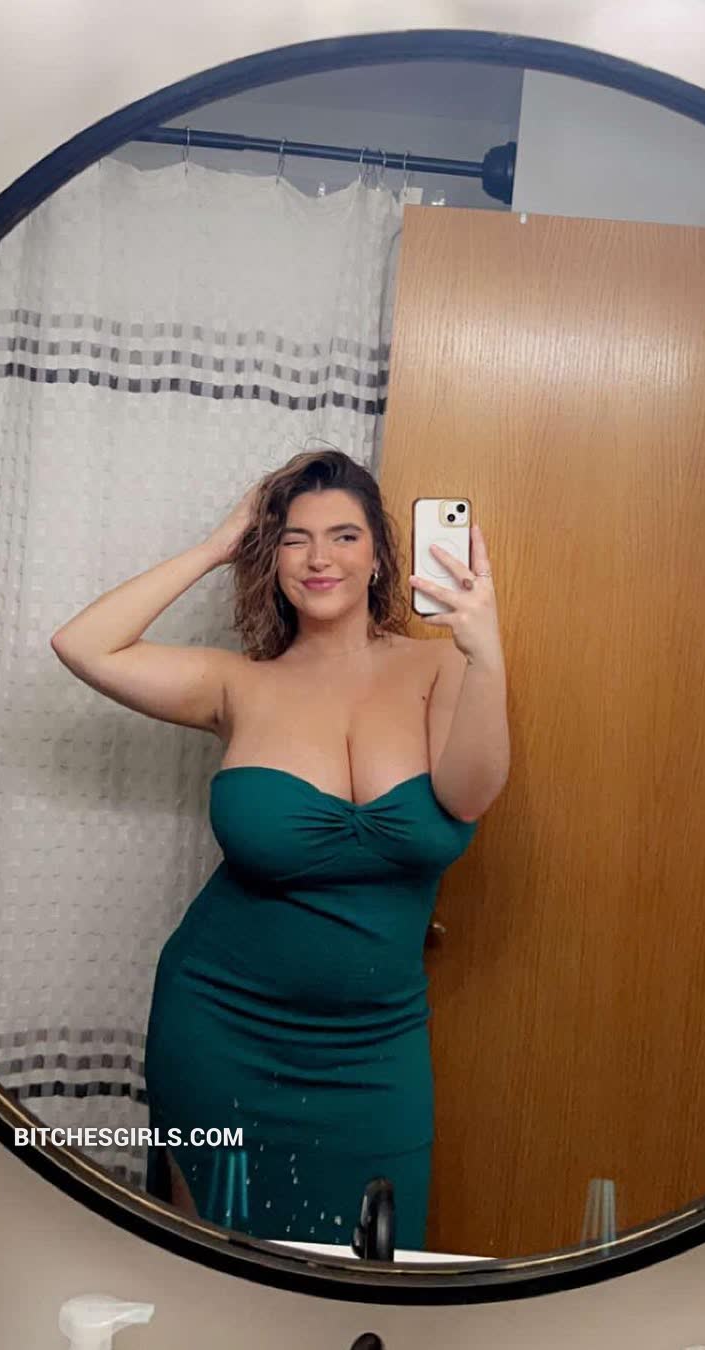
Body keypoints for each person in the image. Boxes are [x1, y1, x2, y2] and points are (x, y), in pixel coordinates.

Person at [50, 449, 510, 1249]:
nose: (319, 558)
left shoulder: (443, 665)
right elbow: (83, 645)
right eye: (295, 539)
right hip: (219, 1029)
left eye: (344, 536)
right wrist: (217, 545)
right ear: (271, 557)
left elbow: (469, 795)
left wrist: (486, 651)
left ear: (379, 557)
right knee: (214, 1270)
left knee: (370, 1274)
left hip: (375, 1052)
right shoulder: (239, 685)